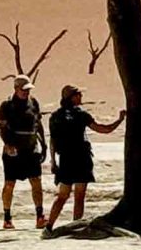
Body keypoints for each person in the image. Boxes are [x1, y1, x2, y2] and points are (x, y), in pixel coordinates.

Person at [45, 85, 125, 230]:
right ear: (72, 97)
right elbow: (103, 129)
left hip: (65, 160)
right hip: (81, 159)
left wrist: (53, 161)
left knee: (62, 195)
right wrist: (119, 120)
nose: (81, 97)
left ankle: (49, 225)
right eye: (78, 95)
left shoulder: (55, 116)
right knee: (79, 195)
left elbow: (53, 141)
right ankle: (76, 225)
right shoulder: (81, 115)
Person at [0, 76, 46, 229]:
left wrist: (43, 144)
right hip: (13, 151)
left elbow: (38, 124)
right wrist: (8, 144)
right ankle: (7, 217)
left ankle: (40, 216)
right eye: (23, 90)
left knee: (36, 181)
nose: (26, 92)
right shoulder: (7, 105)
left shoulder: (34, 103)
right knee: (10, 183)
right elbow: (2, 127)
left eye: (28, 90)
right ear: (16, 89)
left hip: (31, 149)